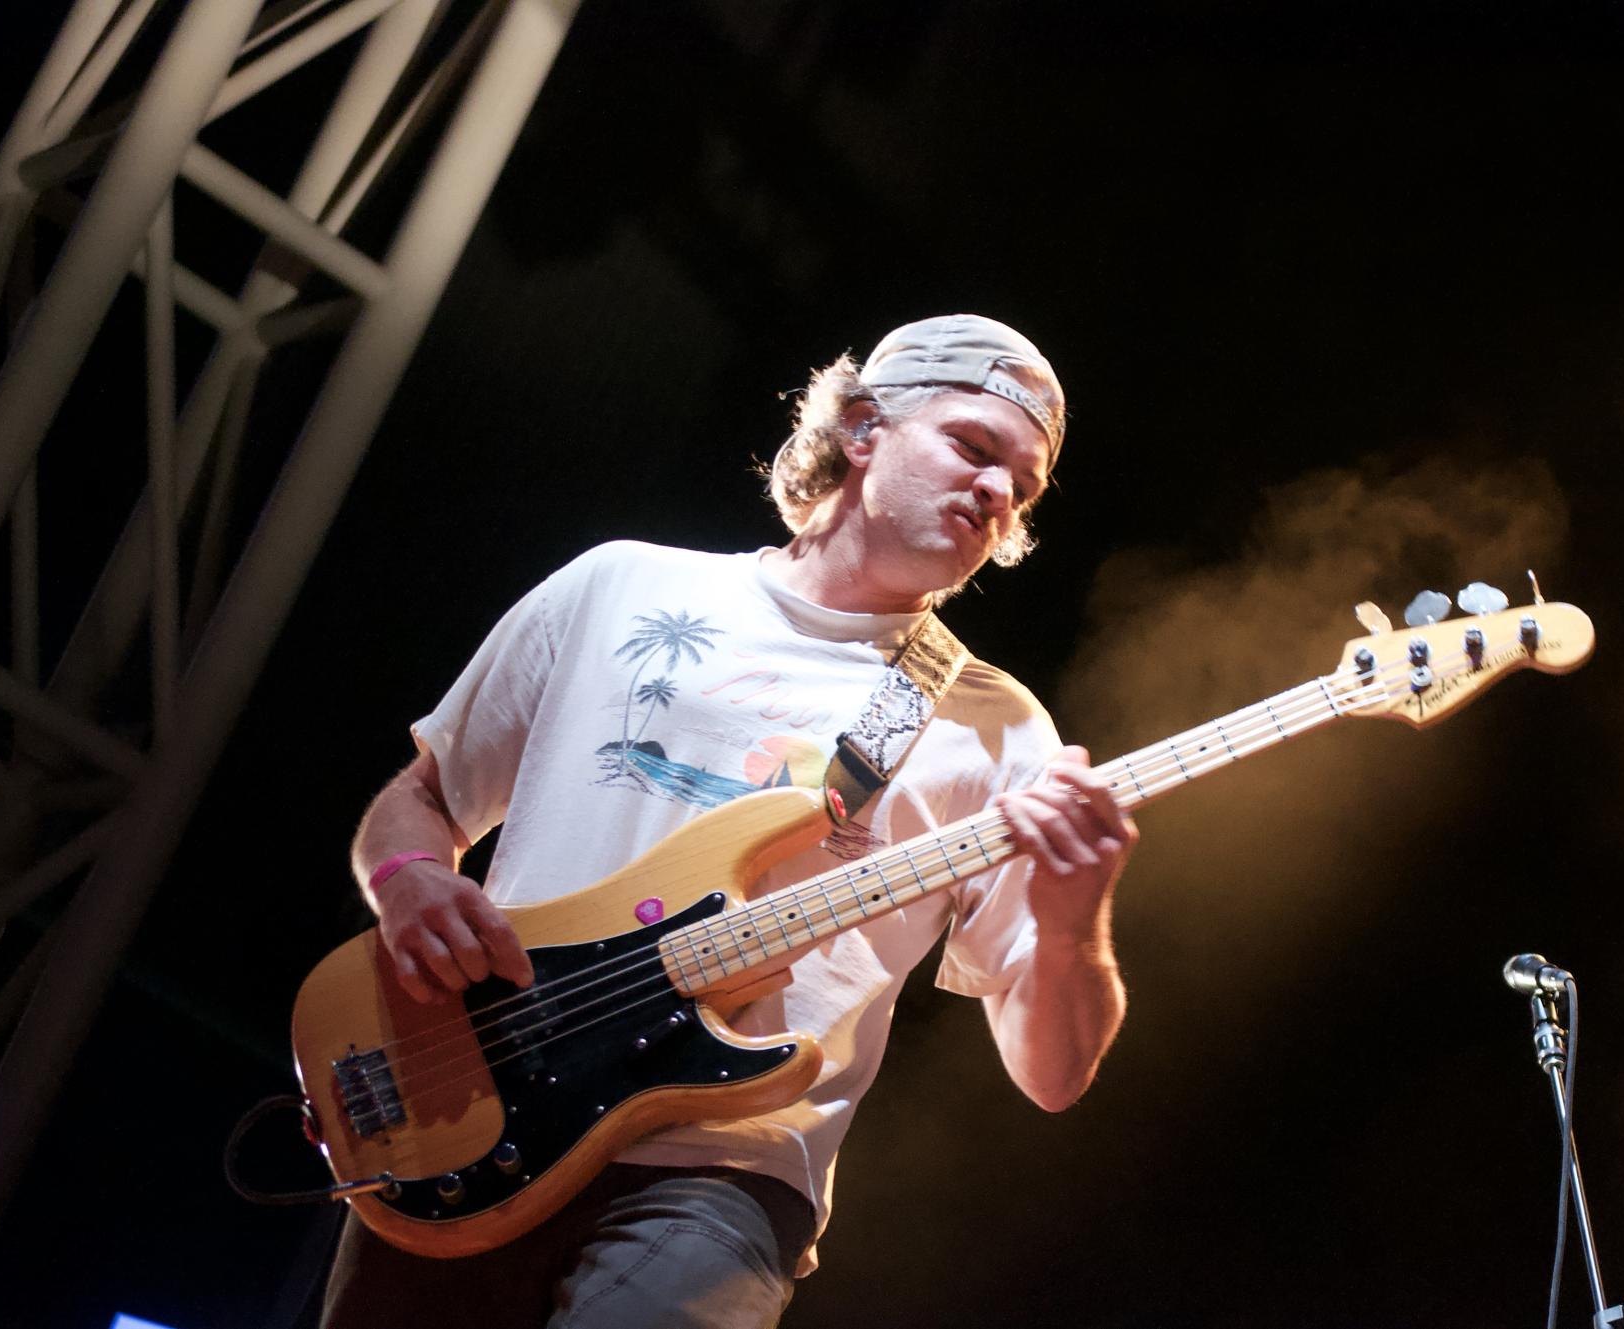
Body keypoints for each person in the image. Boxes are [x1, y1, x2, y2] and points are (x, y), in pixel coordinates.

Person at [319, 314, 1137, 1329]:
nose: (999, 494)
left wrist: (1071, 920)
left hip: (718, 1181)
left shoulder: (1000, 731)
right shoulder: (621, 585)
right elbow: (425, 799)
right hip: (469, 1110)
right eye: (974, 447)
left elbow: (1055, 1076)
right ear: (865, 427)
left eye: (1024, 485)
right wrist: (410, 885)